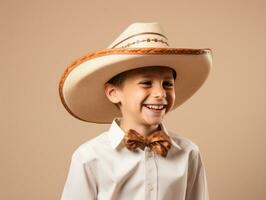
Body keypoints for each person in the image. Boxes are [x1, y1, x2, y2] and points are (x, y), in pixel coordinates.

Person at [58, 22, 212, 200]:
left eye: (167, 84)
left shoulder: (188, 153)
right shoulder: (90, 157)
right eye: (146, 83)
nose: (160, 93)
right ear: (113, 93)